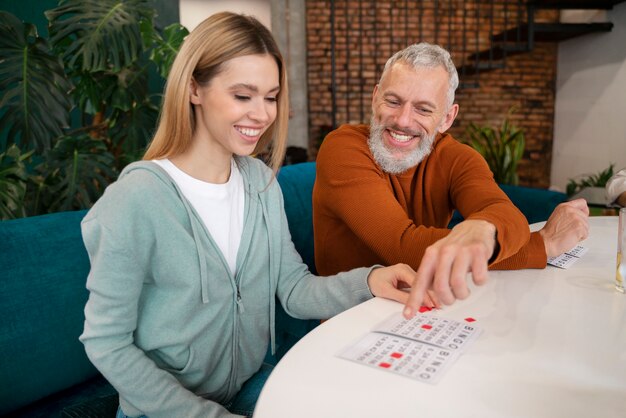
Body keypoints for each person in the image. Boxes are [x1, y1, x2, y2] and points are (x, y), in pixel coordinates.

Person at [80, 12, 419, 418]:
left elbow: (293, 288)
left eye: (271, 96)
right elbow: (106, 341)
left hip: (247, 385)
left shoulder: (259, 183)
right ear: (194, 89)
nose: (262, 114)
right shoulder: (135, 200)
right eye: (243, 96)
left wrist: (370, 280)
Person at [312, 42, 589, 318]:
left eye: (423, 109)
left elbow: (507, 215)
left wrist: (486, 227)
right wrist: (542, 245)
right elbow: (404, 248)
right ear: (375, 99)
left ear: (446, 118)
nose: (403, 120)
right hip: (349, 319)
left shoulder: (457, 157)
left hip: (423, 312)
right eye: (393, 101)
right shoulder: (342, 147)